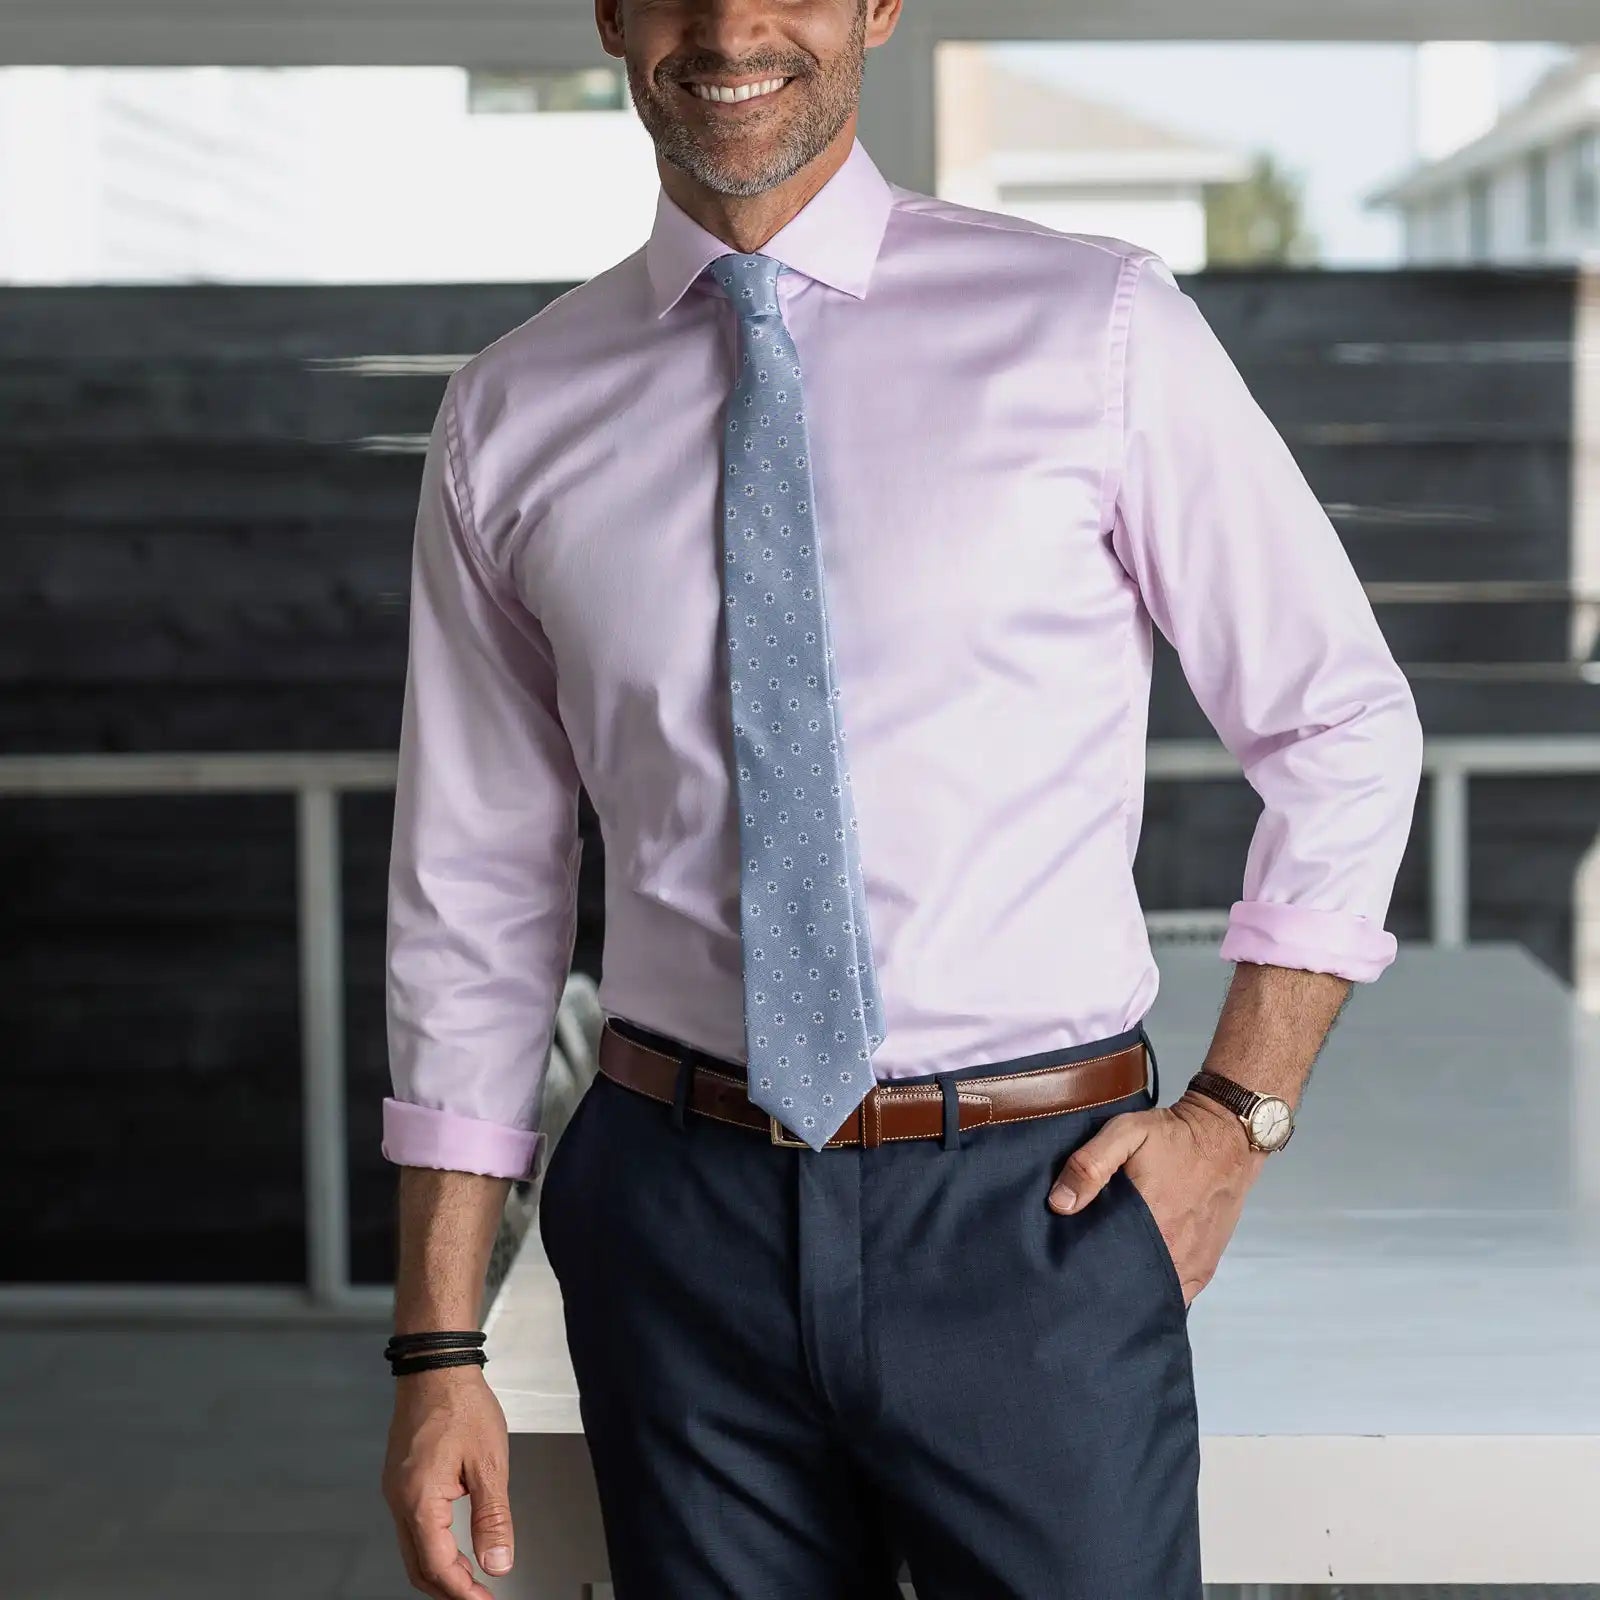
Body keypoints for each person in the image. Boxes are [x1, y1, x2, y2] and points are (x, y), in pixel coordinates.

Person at [377, 0, 1424, 1595]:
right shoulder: (513, 414)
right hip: (676, 1218)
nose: (730, 24)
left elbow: (1342, 722)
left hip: (1034, 1214)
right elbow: (475, 885)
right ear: (605, 13)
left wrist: (1234, 1115)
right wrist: (436, 1338)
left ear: (875, 4)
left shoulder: (1096, 328)